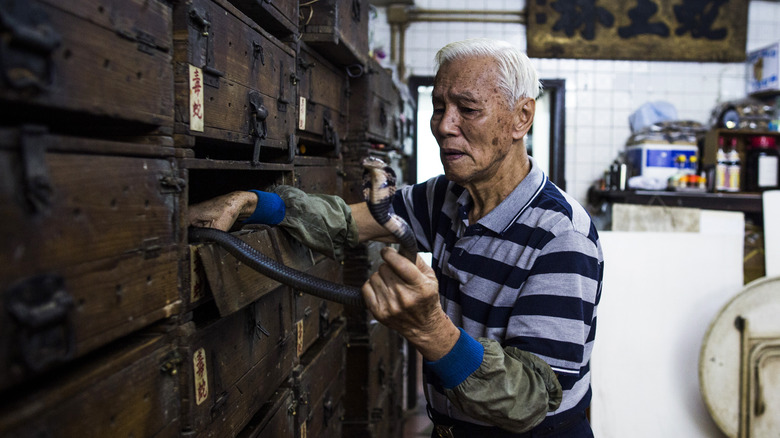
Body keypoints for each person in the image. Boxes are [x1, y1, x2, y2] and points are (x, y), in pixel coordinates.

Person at [189, 38, 603, 438]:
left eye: (468, 109)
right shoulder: (445, 195)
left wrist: (431, 330)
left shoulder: (562, 236)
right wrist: (254, 203)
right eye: (439, 107)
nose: (444, 126)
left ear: (521, 117)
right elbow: (346, 222)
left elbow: (530, 401)